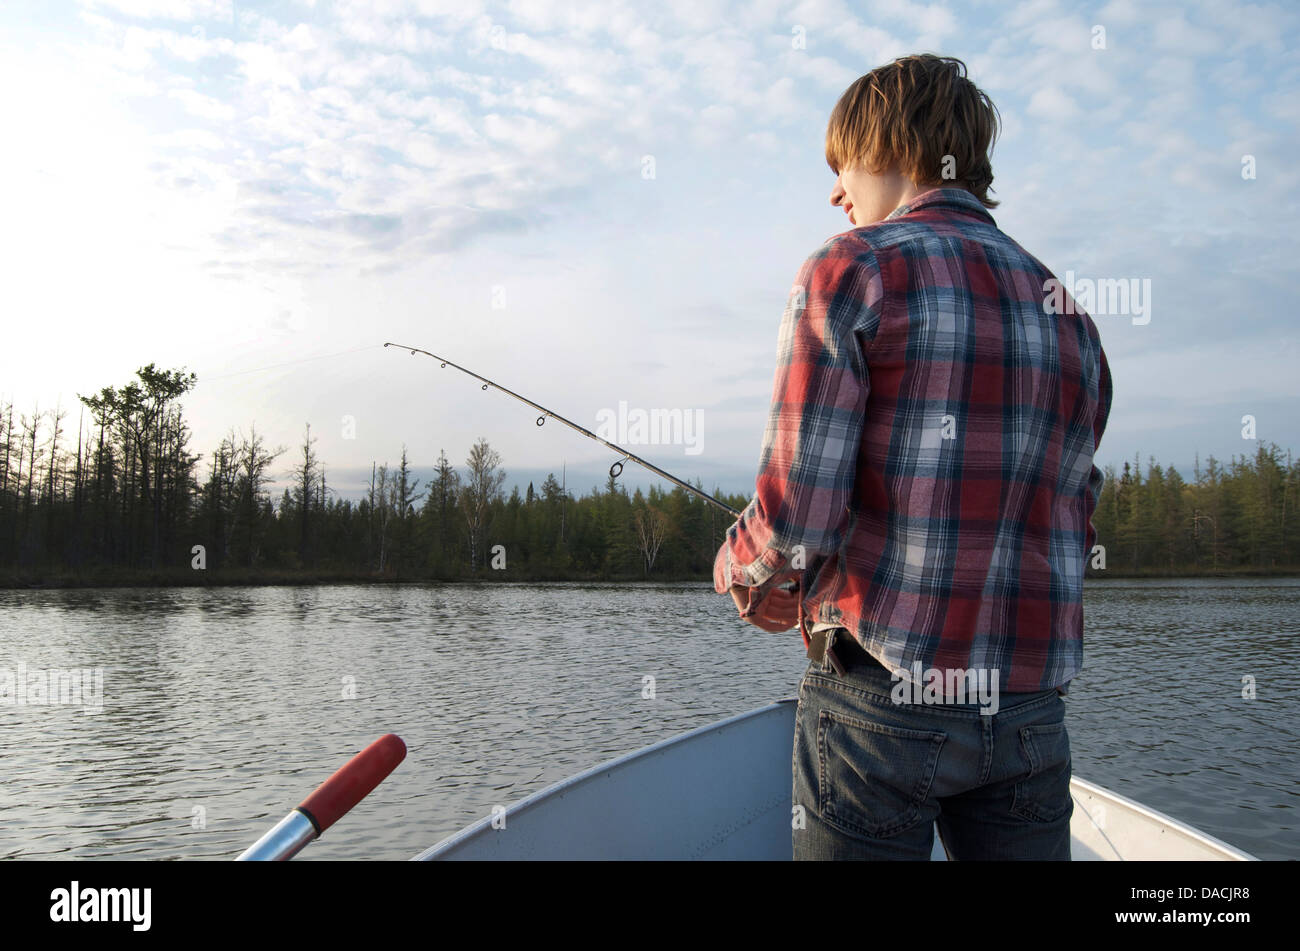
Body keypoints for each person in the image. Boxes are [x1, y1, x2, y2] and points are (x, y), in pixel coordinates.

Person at [713, 53, 1112, 860]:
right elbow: (1069, 512)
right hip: (1031, 712)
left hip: (882, 710)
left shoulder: (851, 267)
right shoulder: (1068, 314)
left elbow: (797, 517)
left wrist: (741, 569)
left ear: (892, 146)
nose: (835, 192)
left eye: (841, 165)